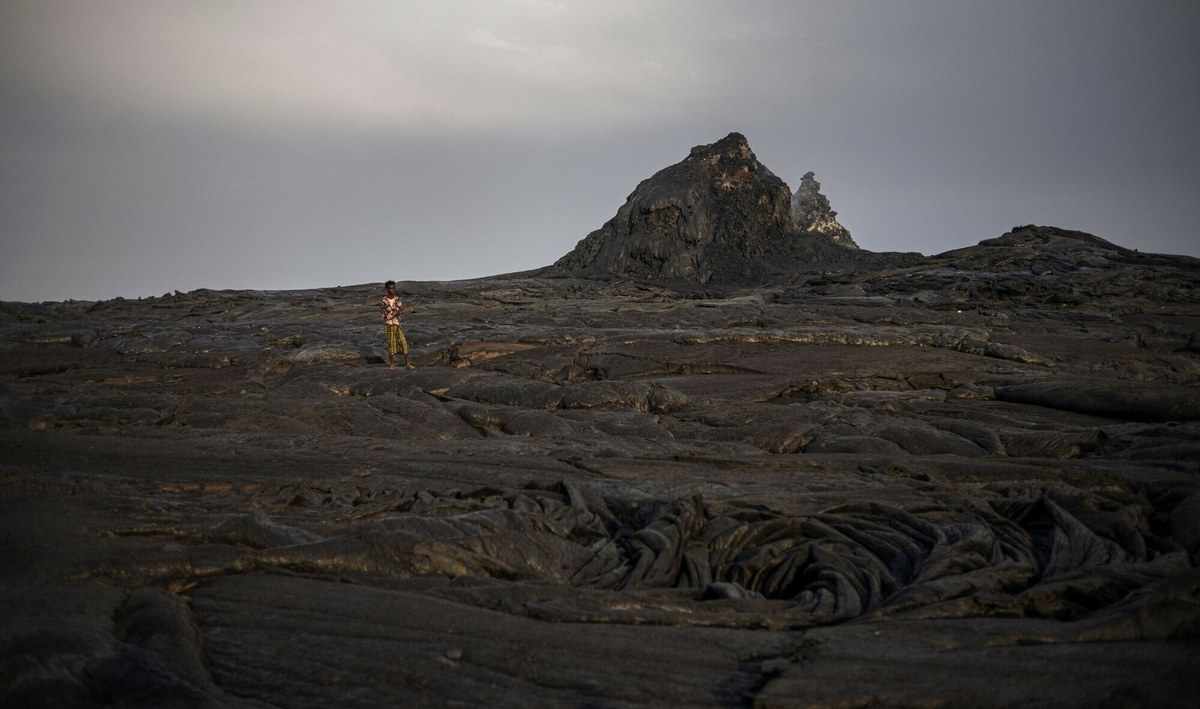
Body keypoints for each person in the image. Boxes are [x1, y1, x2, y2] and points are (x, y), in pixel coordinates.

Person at [379, 280, 414, 369]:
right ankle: (392, 364)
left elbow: (401, 309)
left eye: (394, 288)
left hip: (397, 324)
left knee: (403, 342)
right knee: (391, 344)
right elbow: (384, 314)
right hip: (388, 325)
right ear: (387, 289)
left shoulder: (397, 299)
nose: (393, 290)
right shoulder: (383, 300)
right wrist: (395, 312)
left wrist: (393, 312)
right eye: (391, 288)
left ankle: (408, 364)